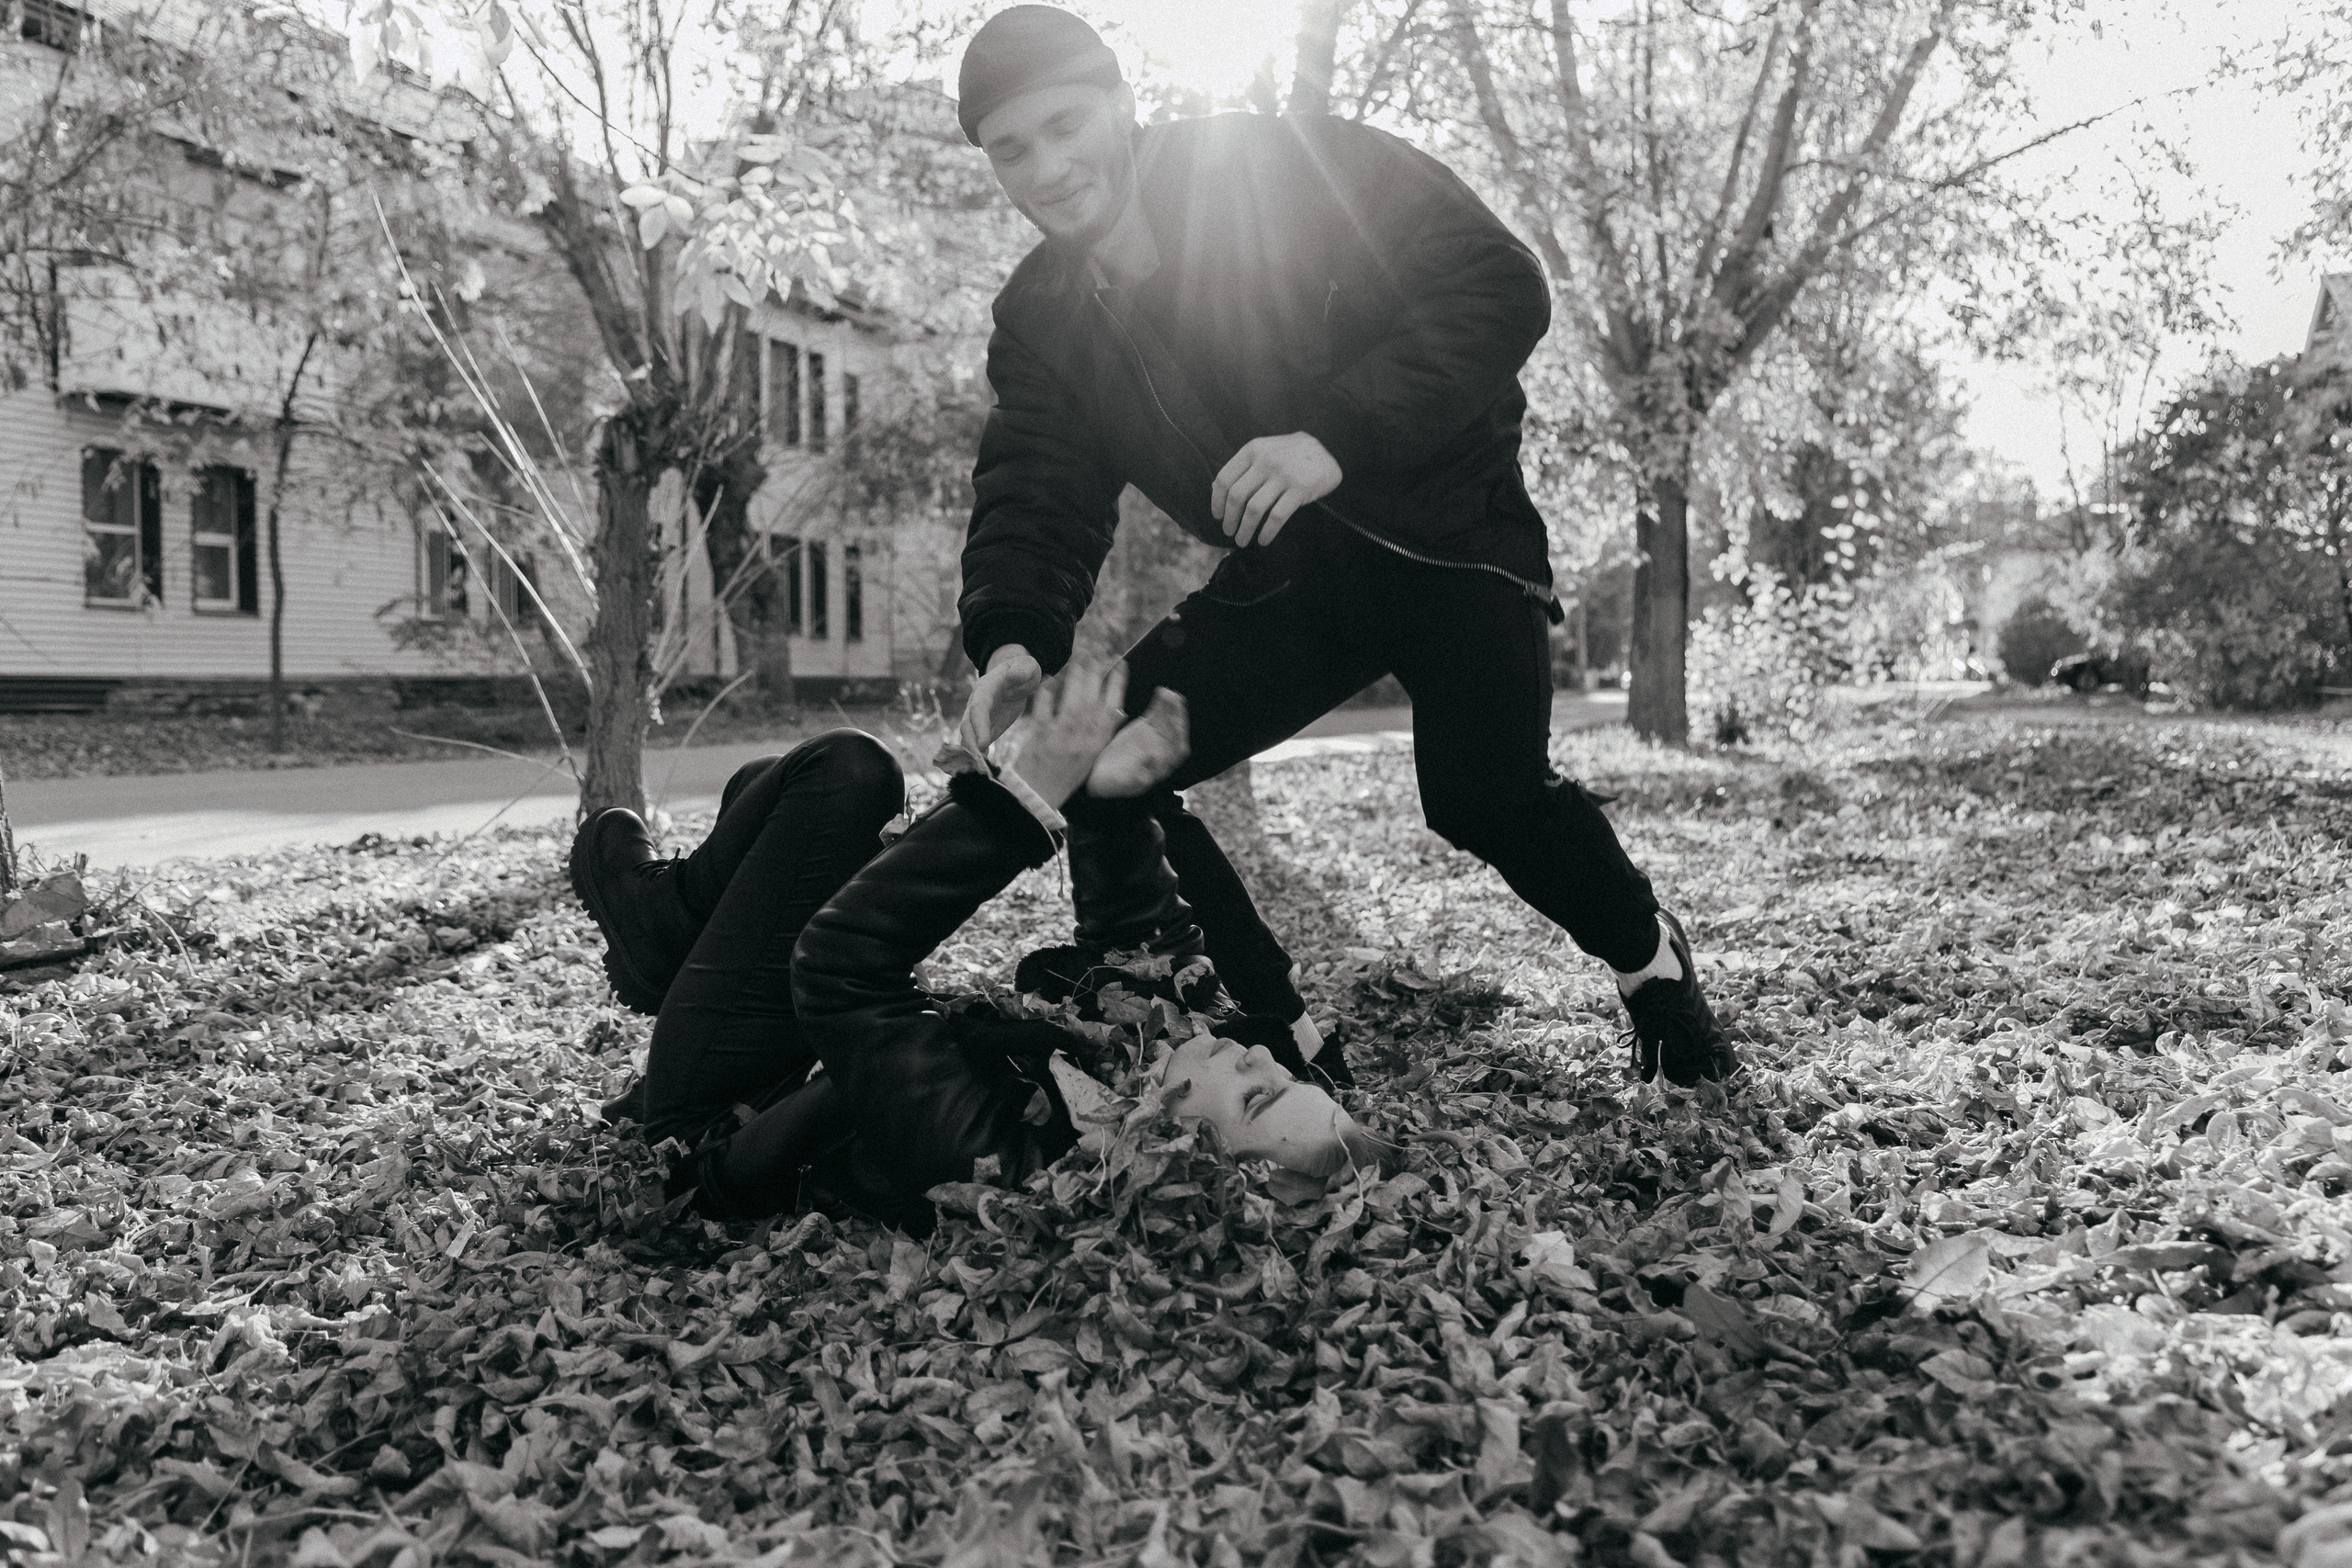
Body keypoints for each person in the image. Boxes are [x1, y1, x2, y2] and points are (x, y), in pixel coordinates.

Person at [945, 5, 1737, 1087]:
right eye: (1010, 149)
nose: (1047, 167)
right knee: (1095, 762)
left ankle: (1650, 963)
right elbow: (1038, 486)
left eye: (1065, 124)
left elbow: (1496, 281)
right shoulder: (1041, 318)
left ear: (1121, 105)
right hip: (1290, 580)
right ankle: (1282, 1044)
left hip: (1449, 540)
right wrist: (1011, 636)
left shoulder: (1273, 169)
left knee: (1484, 801)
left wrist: (1332, 437)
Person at [568, 669, 1374, 1235]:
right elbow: (1148, 939)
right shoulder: (1168, 1061)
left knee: (844, 776)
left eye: (1257, 1097)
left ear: (1189, 1168)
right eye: (1285, 1076)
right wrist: (1113, 802)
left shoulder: (1014, 1161)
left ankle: (664, 926)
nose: (1257, 1057)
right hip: (822, 1051)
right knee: (768, 790)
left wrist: (1022, 801)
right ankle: (675, 935)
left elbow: (842, 968)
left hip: (733, 1102)